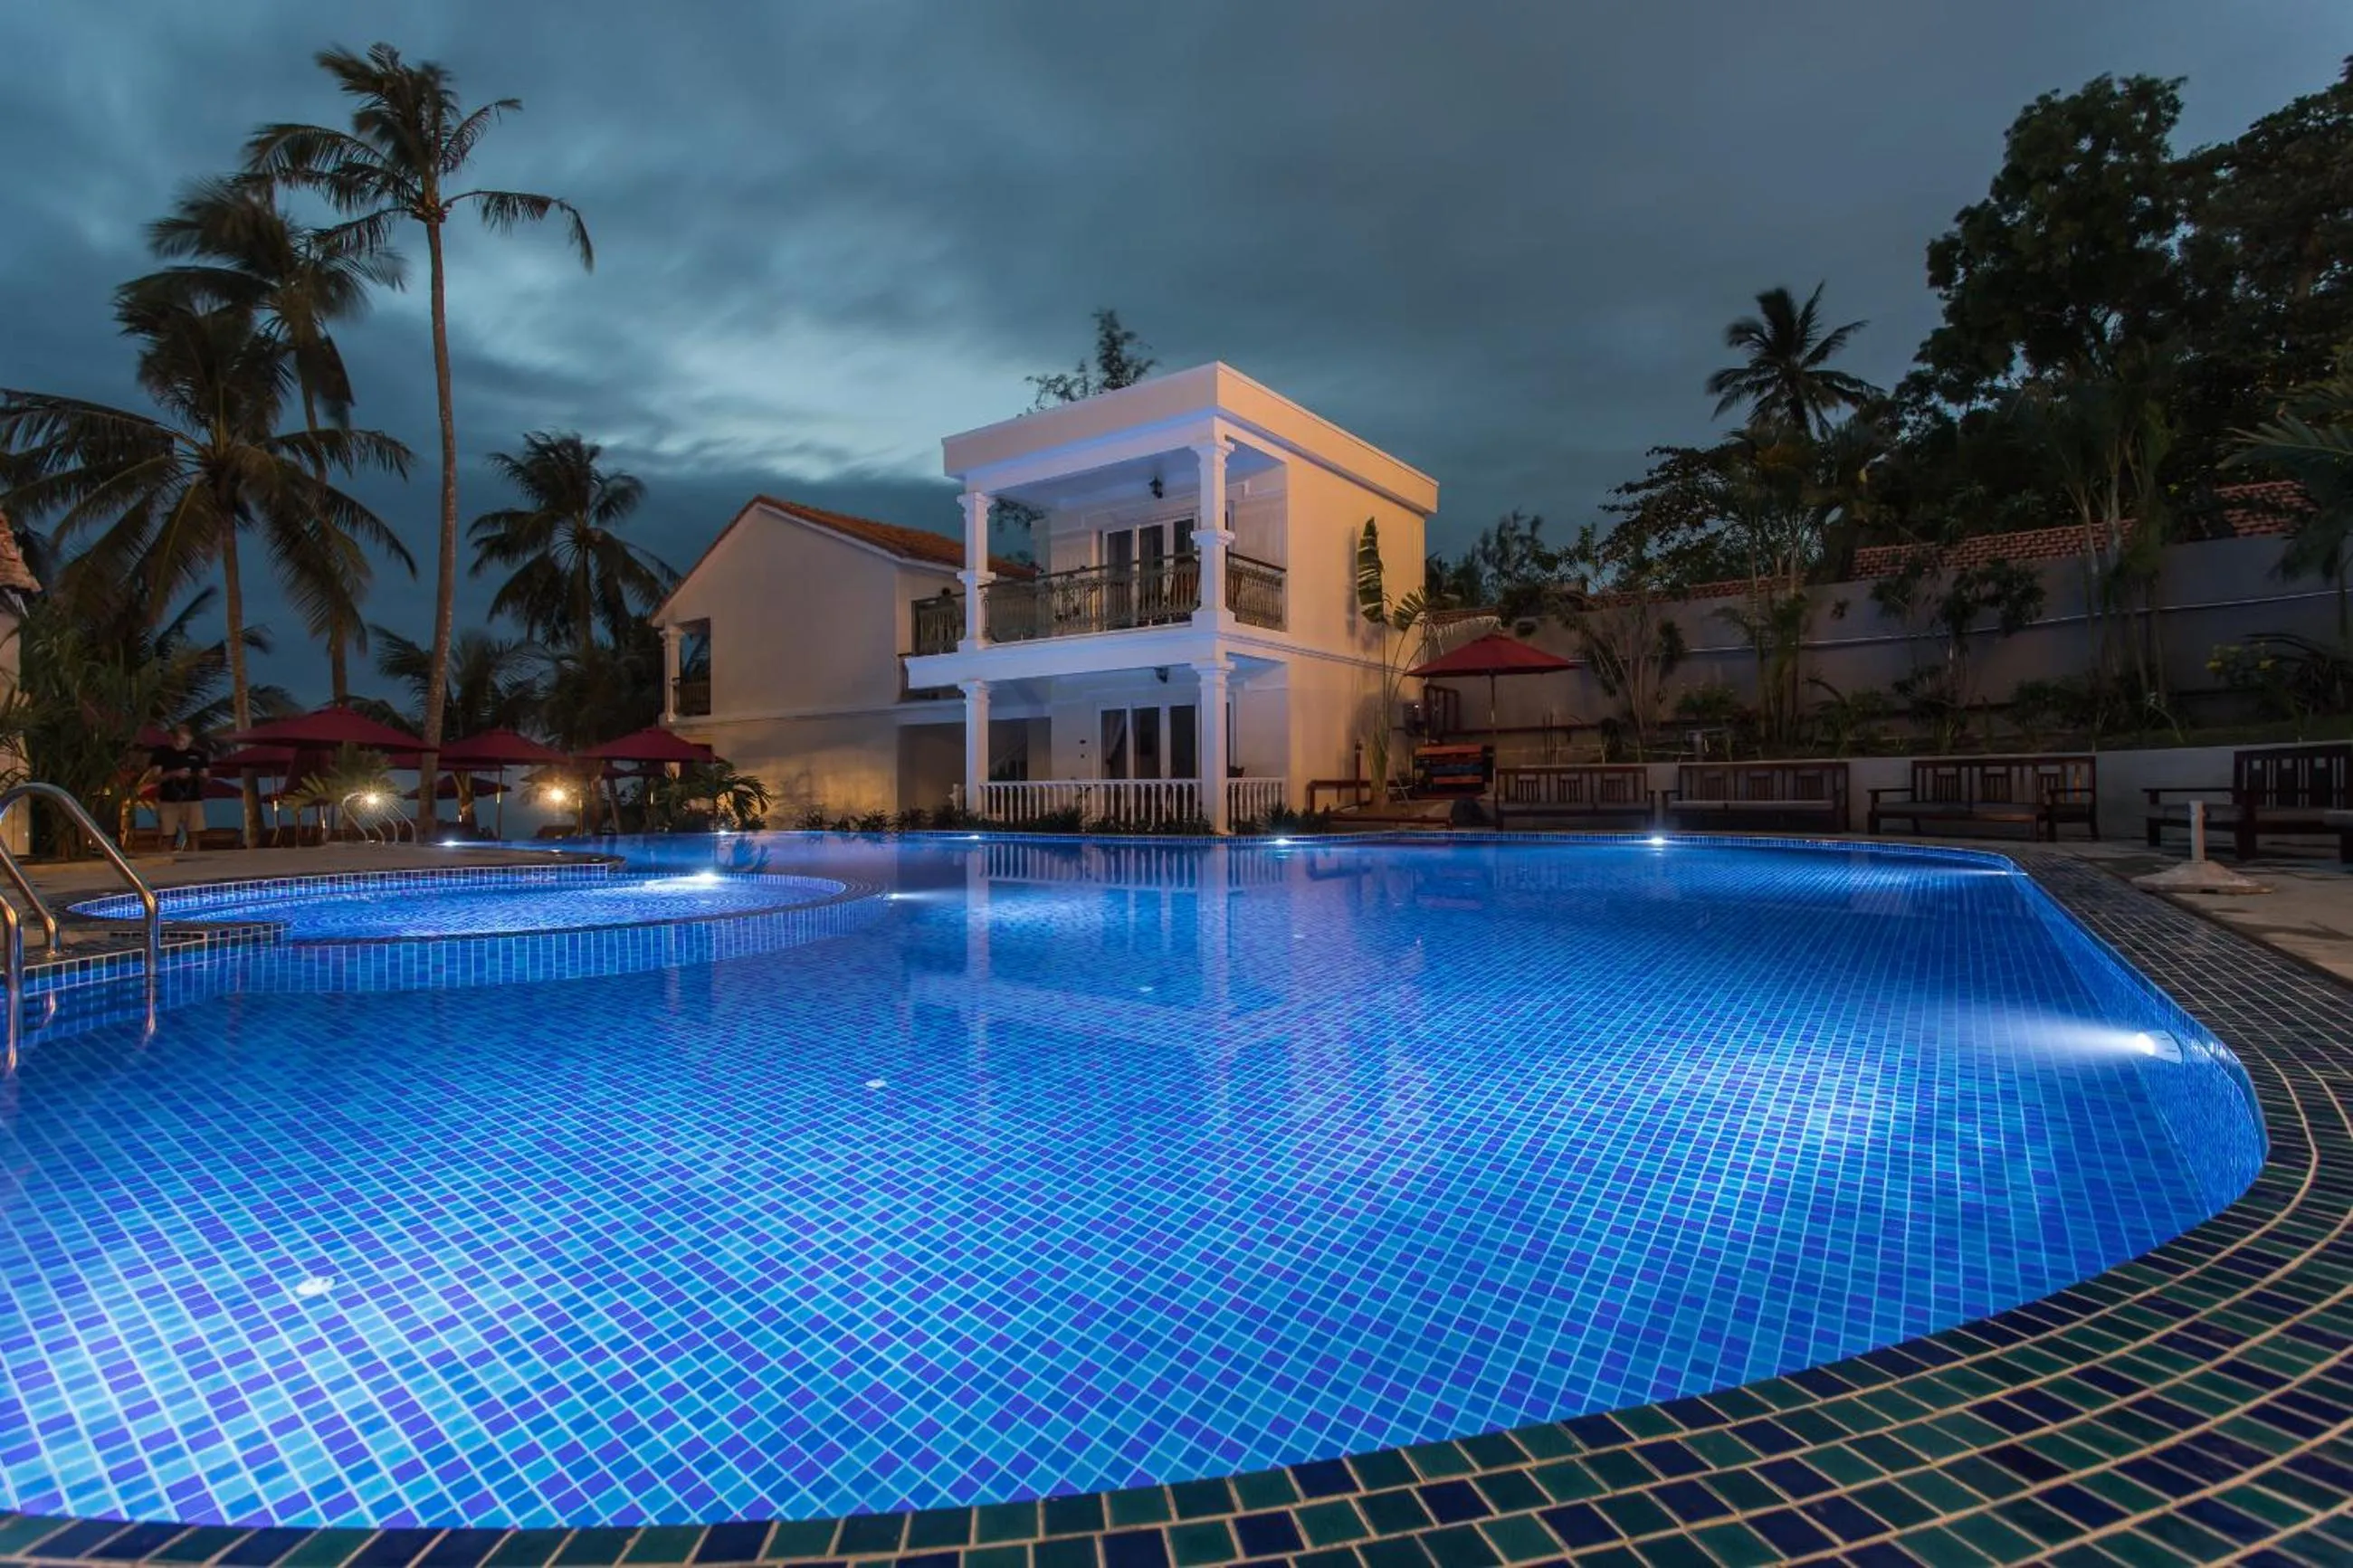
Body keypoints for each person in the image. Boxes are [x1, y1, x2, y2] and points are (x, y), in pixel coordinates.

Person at [148, 724, 210, 851]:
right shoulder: (162, 753)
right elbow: (155, 778)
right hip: (169, 799)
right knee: (168, 835)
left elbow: (206, 779)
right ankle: (165, 860)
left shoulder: (198, 754)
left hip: (192, 797)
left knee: (194, 834)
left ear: (190, 739)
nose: (181, 743)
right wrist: (173, 774)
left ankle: (195, 861)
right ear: (172, 738)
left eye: (185, 740)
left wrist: (199, 776)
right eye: (179, 740)